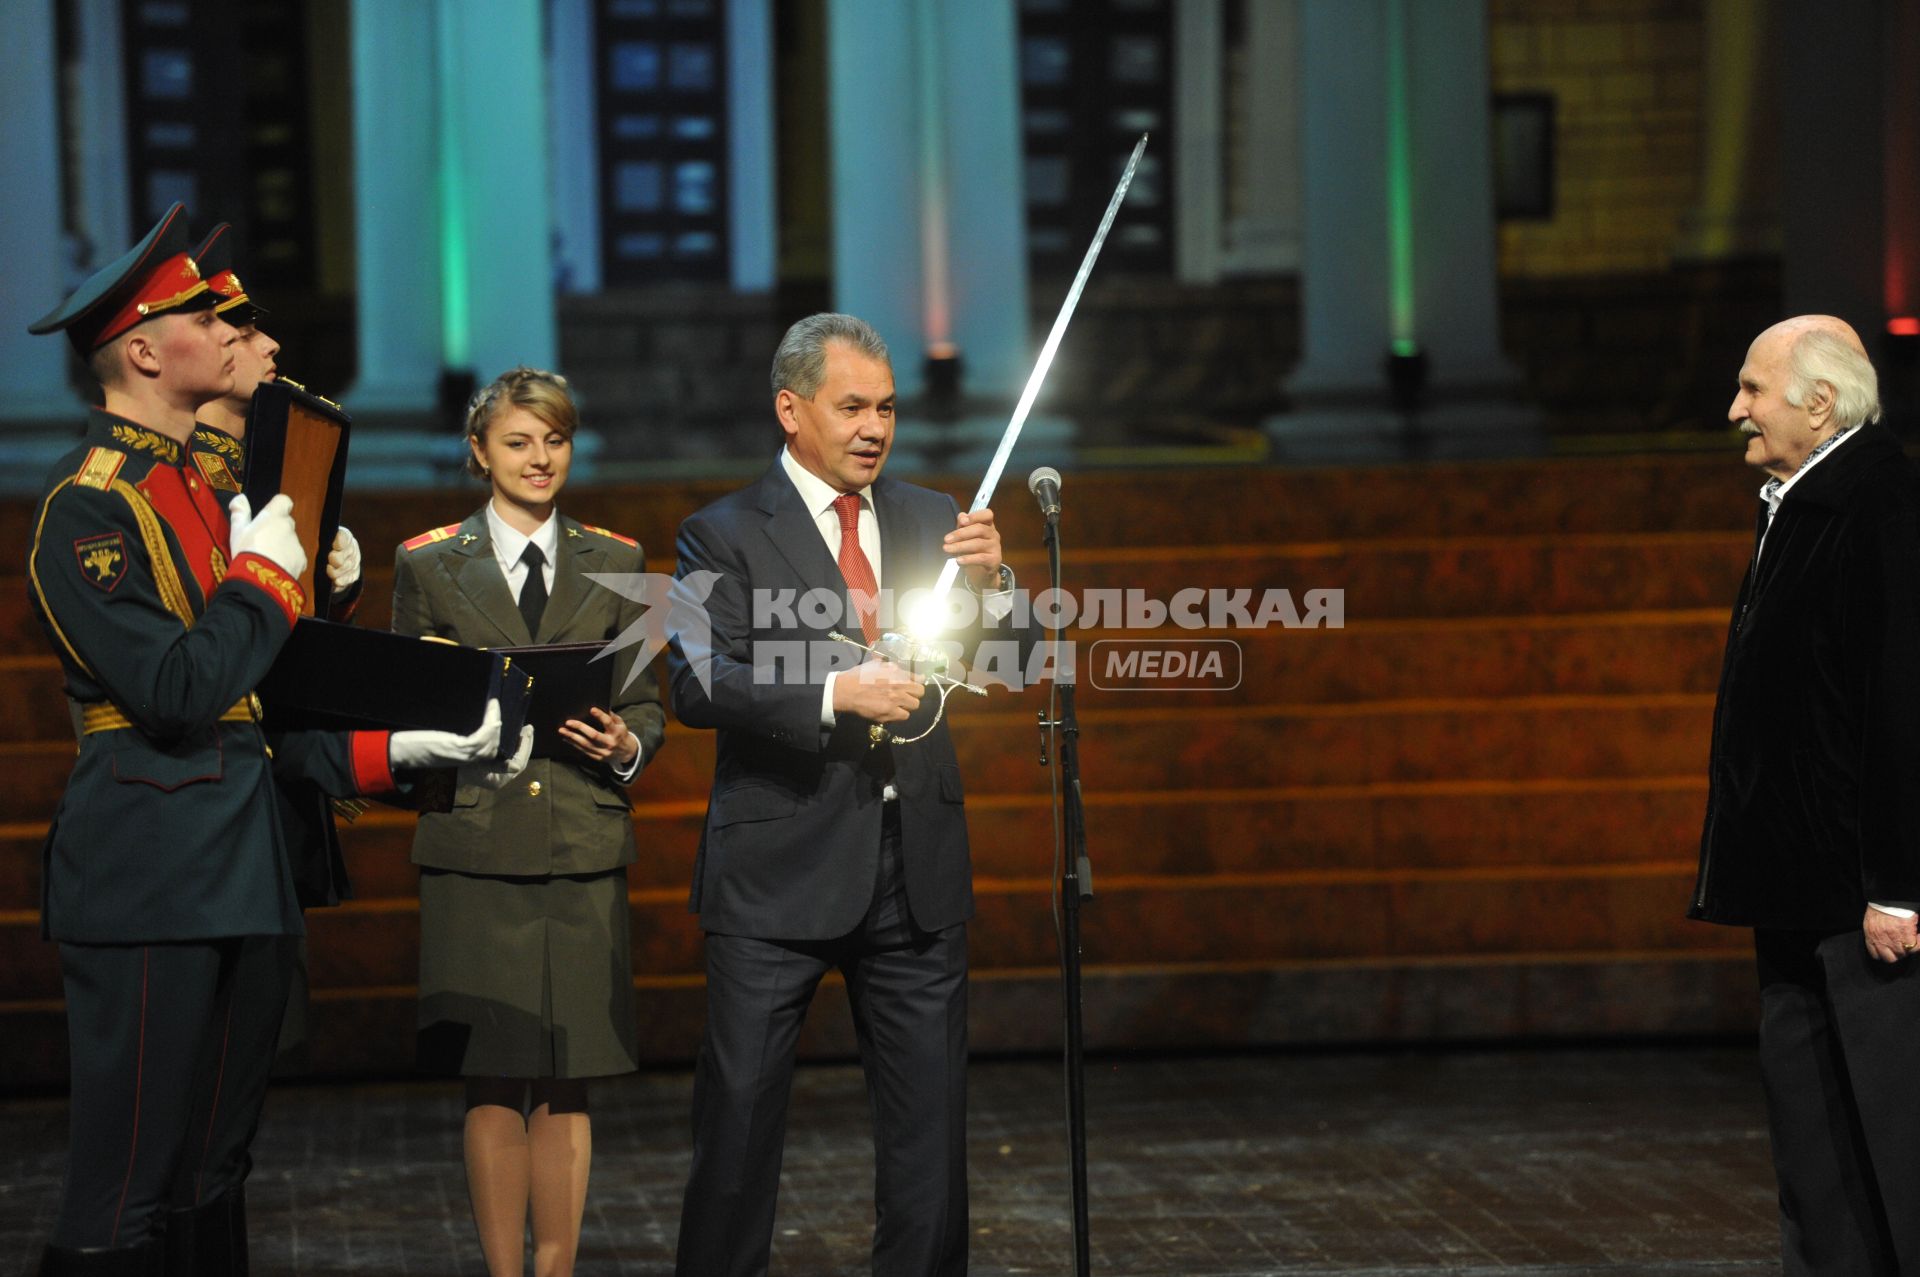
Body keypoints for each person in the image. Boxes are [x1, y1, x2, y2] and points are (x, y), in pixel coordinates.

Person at [23, 205, 529, 1276]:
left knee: (213, 1167)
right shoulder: (90, 509)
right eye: (201, 312)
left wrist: (392, 748)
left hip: (240, 860)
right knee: (127, 1182)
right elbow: (176, 689)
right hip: (151, 870)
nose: (232, 325)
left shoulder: (204, 494)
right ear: (148, 351)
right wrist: (261, 581)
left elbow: (258, 706)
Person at [666, 312, 1033, 1276]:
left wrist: (997, 585)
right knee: (738, 1133)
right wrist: (835, 692)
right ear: (792, 410)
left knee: (930, 1151)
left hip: (914, 869)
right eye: (851, 406)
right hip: (775, 874)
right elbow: (698, 680)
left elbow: (1017, 658)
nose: (875, 427)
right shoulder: (722, 533)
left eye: (887, 408)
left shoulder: (931, 518)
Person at [391, 367, 667, 1277]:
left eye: (554, 439)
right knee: (494, 1073)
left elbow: (651, 705)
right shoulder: (428, 563)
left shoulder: (618, 558)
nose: (539, 457)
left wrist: (628, 740)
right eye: (518, 441)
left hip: (583, 843)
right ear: (479, 453)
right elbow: (399, 713)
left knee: (569, 1070)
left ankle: (557, 1269)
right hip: (477, 844)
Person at [1690, 314, 1920, 1274]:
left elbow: (1903, 699)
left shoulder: (1878, 501)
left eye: (1753, 388)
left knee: (1893, 1149)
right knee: (1813, 1145)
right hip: (1791, 886)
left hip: (1857, 896)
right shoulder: (1796, 497)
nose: (1735, 407)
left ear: (1819, 403)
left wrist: (1899, 883)